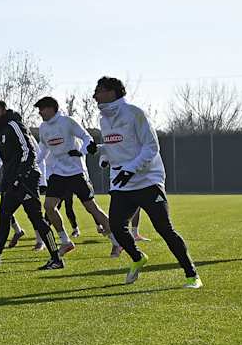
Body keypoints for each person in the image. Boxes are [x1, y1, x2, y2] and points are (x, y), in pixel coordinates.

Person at [94, 77, 200, 287]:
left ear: (113, 92)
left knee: (164, 228)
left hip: (148, 180)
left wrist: (130, 170)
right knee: (116, 227)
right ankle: (137, 257)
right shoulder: (103, 119)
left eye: (99, 90)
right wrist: (104, 158)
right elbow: (113, 147)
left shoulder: (135, 113)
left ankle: (192, 275)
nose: (94, 95)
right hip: (122, 183)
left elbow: (151, 147)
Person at [0, 101, 63, 270]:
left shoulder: (14, 125)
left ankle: (56, 258)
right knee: (4, 216)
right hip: (12, 182)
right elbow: (6, 161)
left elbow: (28, 151)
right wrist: (7, 180)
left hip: (26, 180)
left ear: (4, 111)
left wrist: (21, 176)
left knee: (37, 220)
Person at [34, 95, 120, 257]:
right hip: (57, 174)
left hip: (76, 173)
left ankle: (117, 242)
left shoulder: (68, 122)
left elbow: (87, 138)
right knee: (48, 207)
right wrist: (33, 164)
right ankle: (66, 242)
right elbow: (44, 149)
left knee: (92, 209)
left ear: (52, 109)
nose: (40, 112)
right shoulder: (43, 127)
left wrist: (82, 151)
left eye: (42, 109)